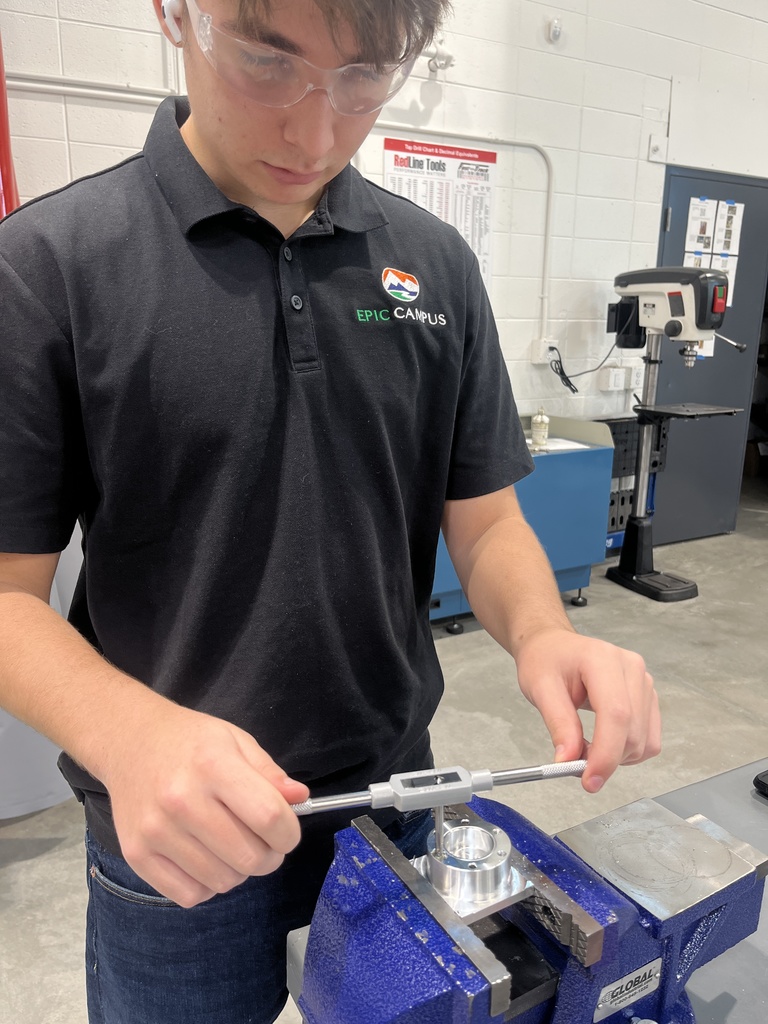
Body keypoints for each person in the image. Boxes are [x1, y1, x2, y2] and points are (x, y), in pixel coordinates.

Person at [0, 0, 661, 1021]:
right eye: (268, 58)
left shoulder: (433, 265)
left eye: (367, 77)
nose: (315, 132)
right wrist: (129, 735)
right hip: (176, 836)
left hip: (391, 806)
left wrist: (544, 632)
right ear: (179, 14)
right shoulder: (50, 266)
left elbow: (484, 523)